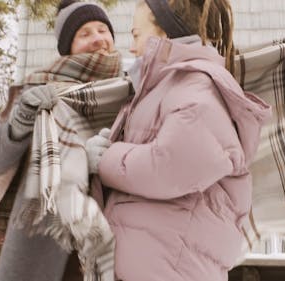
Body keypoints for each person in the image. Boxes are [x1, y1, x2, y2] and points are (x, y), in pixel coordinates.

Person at [85, 0, 272, 280]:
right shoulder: (165, 88)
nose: (132, 47)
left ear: (163, 33)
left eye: (136, 34)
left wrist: (107, 158)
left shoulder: (196, 86)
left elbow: (171, 165)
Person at [0, 1, 128, 280]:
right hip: (43, 242)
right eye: (84, 33)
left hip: (110, 237)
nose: (98, 39)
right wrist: (20, 121)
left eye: (102, 29)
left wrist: (104, 161)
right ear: (67, 46)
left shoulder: (128, 93)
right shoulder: (37, 90)